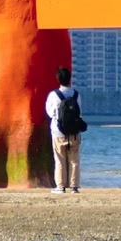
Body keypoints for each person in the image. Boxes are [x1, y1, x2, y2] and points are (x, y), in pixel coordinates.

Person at [45, 66, 86, 194]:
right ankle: (74, 187)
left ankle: (60, 187)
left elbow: (50, 113)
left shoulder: (54, 95)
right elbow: (80, 112)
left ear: (58, 79)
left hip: (58, 132)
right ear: (70, 79)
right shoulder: (76, 94)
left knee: (59, 159)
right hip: (75, 132)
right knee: (74, 160)